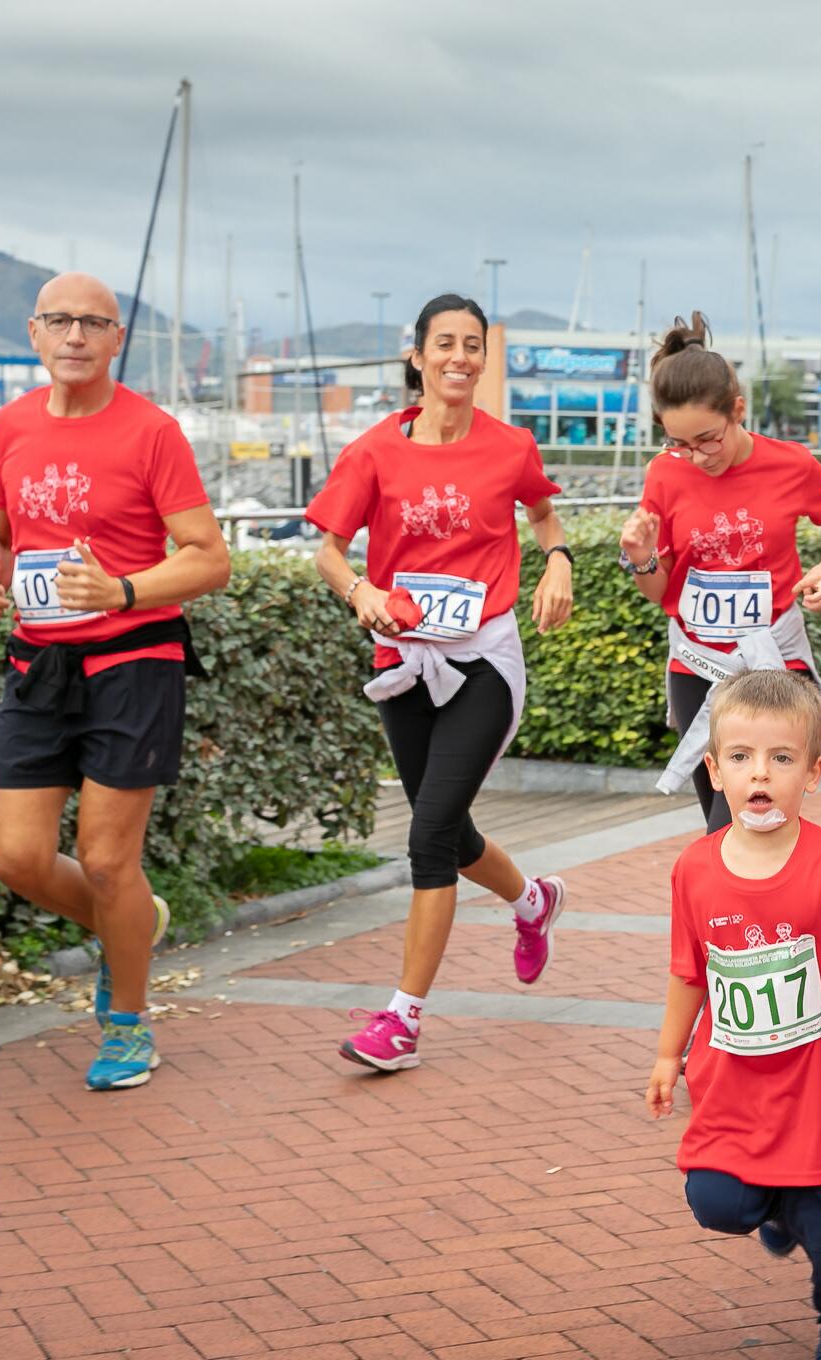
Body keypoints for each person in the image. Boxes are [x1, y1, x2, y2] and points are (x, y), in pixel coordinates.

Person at [0, 272, 231, 1091]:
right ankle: (132, 928)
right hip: (37, 665)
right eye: (59, 321)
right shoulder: (9, 426)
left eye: (93, 323)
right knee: (14, 854)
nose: (75, 335)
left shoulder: (152, 432)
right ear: (34, 333)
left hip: (134, 661)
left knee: (108, 859)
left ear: (118, 340)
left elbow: (210, 559)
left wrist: (118, 590)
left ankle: (127, 1024)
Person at [307, 294, 575, 1072]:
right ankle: (534, 902)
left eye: (472, 345)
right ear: (417, 356)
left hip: (485, 658)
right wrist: (362, 593)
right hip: (403, 662)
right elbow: (327, 550)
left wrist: (557, 561)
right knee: (449, 833)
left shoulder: (510, 446)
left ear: (483, 360)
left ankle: (403, 1019)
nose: (460, 357)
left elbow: (546, 517)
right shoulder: (374, 452)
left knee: (426, 836)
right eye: (444, 344)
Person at [646, 669, 821, 1360]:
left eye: (781, 757)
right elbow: (690, 971)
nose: (759, 773)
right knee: (717, 1202)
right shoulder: (694, 869)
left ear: (813, 772)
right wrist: (665, 1055)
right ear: (714, 772)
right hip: (731, 1088)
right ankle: (772, 1207)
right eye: (740, 757)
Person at [619, 313, 821, 834]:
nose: (695, 458)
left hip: (773, 658)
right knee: (721, 813)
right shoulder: (664, 474)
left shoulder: (791, 464)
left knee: (758, 812)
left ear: (738, 410)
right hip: (697, 663)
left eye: (707, 439)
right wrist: (640, 556)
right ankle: (734, 915)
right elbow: (658, 589)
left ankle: (764, 914)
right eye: (677, 443)